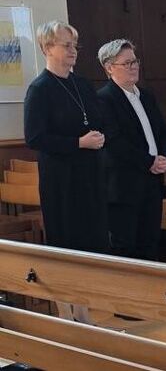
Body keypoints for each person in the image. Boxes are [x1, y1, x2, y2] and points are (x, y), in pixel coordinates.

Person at [24, 20, 108, 323]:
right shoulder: (40, 89)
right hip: (61, 181)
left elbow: (97, 118)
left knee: (88, 245)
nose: (73, 50)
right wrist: (78, 142)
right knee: (65, 245)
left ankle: (83, 313)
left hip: (88, 176)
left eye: (75, 45)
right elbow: (35, 138)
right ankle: (64, 314)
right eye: (66, 45)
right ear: (48, 48)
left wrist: (99, 136)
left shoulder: (82, 84)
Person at [97, 39, 166, 261]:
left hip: (152, 180)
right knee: (125, 246)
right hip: (124, 185)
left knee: (150, 243)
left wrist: (164, 157)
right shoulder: (104, 99)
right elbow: (115, 142)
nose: (133, 67)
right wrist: (149, 161)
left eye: (135, 61)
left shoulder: (146, 96)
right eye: (127, 63)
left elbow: (163, 132)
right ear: (109, 68)